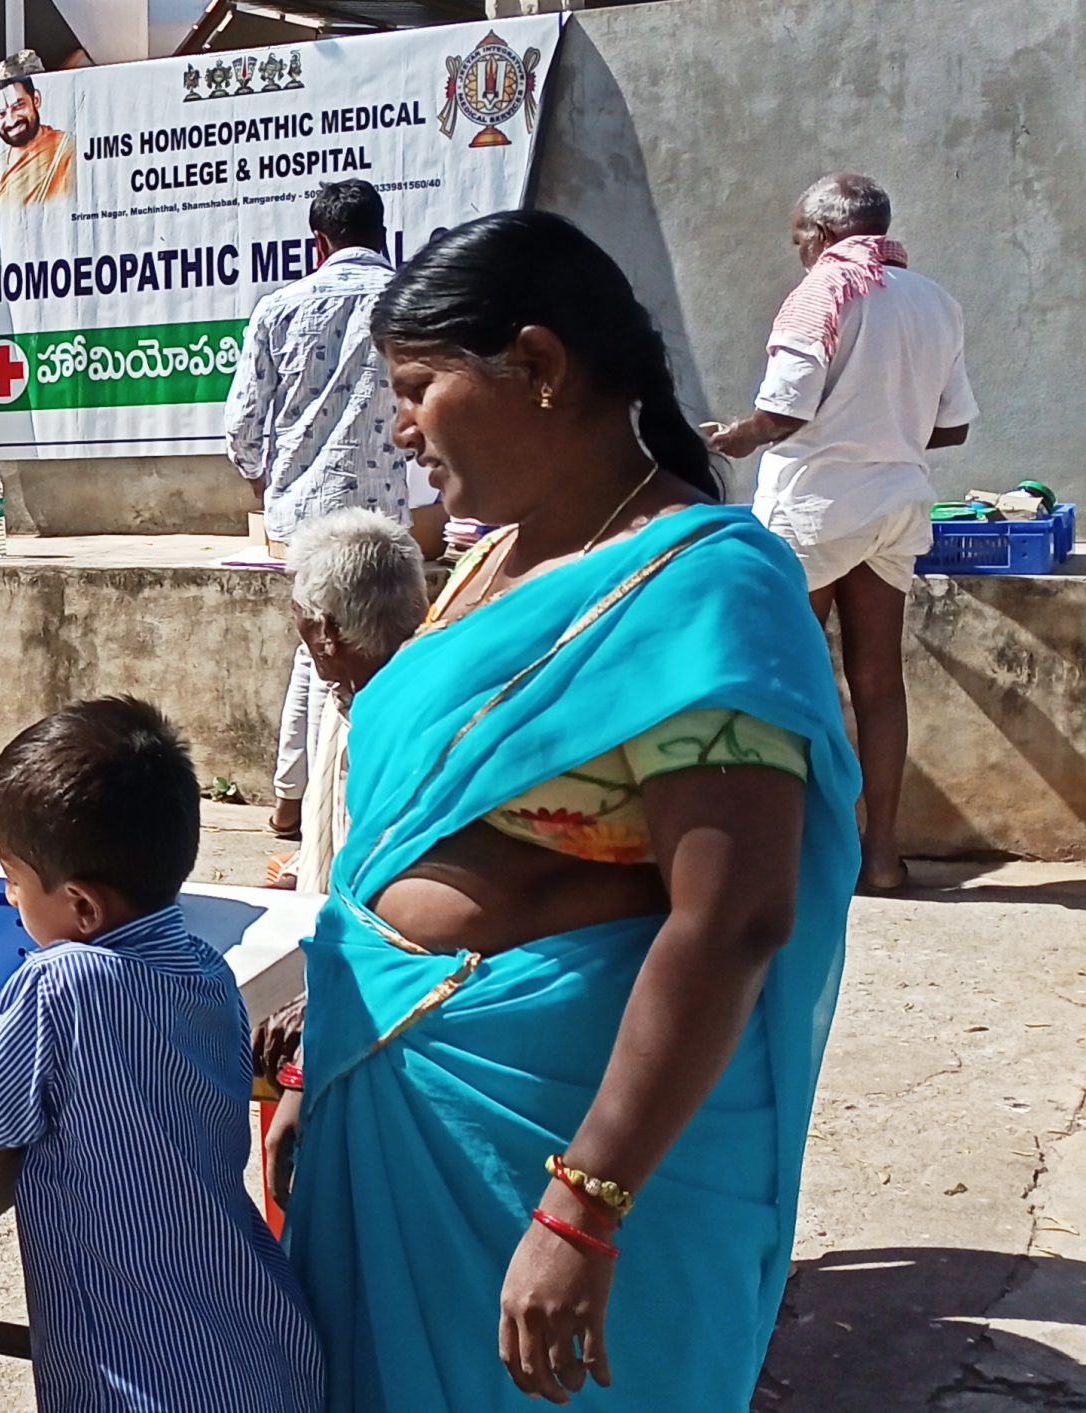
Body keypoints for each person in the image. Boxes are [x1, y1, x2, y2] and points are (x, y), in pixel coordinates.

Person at [267, 211, 861, 1410]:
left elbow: (733, 916)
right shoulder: (493, 558)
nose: (397, 425)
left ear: (536, 368)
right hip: (386, 1097)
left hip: (541, 1144)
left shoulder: (703, 587)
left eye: (417, 388)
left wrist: (583, 1209)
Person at [0, 698, 324, 1413]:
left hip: (142, 1377)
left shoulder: (59, 983)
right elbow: (115, 1102)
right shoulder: (205, 969)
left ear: (82, 909)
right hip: (258, 1342)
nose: (7, 896)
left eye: (13, 878)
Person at [702, 174, 974, 892]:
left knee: (786, 677)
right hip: (896, 503)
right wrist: (887, 421)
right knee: (879, 681)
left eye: (798, 239)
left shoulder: (823, 291)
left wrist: (736, 436)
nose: (798, 253)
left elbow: (784, 411)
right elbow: (954, 426)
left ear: (822, 236)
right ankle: (881, 856)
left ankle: (785, 855)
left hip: (814, 507)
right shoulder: (935, 301)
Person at [226, 179, 414, 840]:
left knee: (319, 649)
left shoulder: (278, 307)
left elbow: (242, 427)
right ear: (382, 233)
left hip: (301, 516)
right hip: (384, 516)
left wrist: (260, 476)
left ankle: (294, 802)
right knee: (357, 656)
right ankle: (322, 804)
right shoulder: (410, 305)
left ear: (320, 243)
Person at [270, 510, 427, 895]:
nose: (297, 630)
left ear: (326, 632)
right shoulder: (350, 692)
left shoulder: (395, 720)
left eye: (297, 615)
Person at [0, 52, 76, 209]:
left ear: (36, 100)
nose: (11, 120)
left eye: (18, 106)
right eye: (1, 113)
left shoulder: (67, 148)